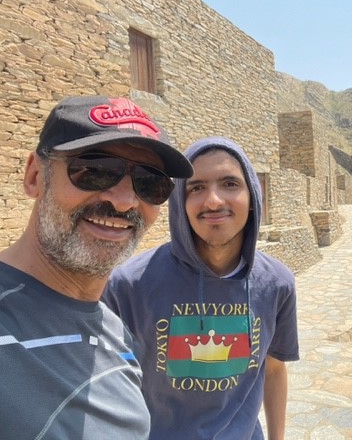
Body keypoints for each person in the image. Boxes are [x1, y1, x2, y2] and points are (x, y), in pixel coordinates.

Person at [0, 95, 193, 439]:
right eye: (95, 171)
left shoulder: (119, 337)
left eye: (150, 183)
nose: (124, 201)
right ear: (34, 176)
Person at [103, 136, 300, 440]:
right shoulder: (128, 286)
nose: (213, 201)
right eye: (196, 188)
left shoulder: (277, 283)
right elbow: (108, 384)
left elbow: (273, 370)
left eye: (230, 184)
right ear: (179, 203)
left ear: (252, 198)